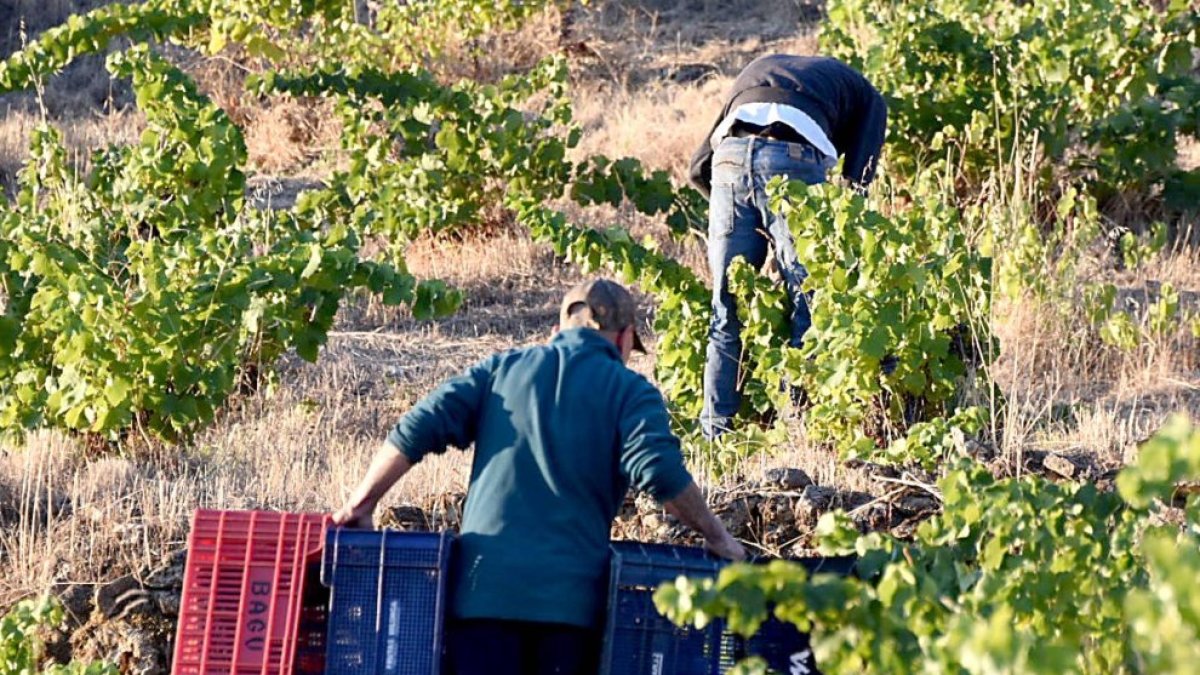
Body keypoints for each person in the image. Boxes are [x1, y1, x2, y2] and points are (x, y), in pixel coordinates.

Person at [333, 278, 747, 675]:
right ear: (624, 339)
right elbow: (657, 469)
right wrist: (718, 537)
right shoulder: (630, 391)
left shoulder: (501, 370)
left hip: (480, 599)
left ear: (557, 331)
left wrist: (362, 502)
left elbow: (419, 425)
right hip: (568, 612)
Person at [688, 54, 887, 438]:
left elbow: (698, 167)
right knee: (809, 301)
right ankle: (797, 428)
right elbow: (855, 189)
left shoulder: (760, 67)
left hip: (728, 158)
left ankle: (714, 434)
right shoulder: (869, 99)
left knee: (725, 307)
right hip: (793, 158)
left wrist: (747, 221)